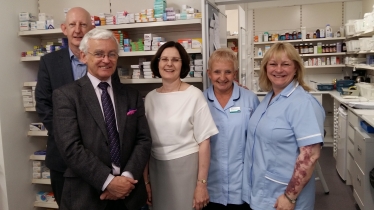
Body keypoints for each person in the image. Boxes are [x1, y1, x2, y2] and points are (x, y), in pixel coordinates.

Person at [52, 28, 151, 210]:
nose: (106, 60)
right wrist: (109, 182)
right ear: (83, 56)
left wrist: (126, 178)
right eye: (99, 54)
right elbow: (71, 148)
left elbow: (143, 140)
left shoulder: (131, 96)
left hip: (130, 196)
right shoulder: (66, 96)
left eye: (111, 54)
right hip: (87, 196)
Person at [242, 42, 325, 210]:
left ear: (296, 68)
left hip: (285, 197)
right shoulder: (269, 98)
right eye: (273, 64)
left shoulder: (303, 103)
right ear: (265, 68)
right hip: (262, 192)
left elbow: (310, 156)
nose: (278, 70)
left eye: (285, 64)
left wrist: (290, 196)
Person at [35, 7, 99, 205]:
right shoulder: (49, 62)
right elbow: (43, 104)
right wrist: (67, 137)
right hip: (62, 157)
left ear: (92, 28)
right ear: (64, 29)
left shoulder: (102, 60)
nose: (78, 30)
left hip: (98, 157)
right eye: (72, 24)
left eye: (83, 24)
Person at [144, 41, 219, 210]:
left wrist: (201, 184)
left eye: (175, 60)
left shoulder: (194, 96)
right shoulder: (150, 98)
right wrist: (146, 181)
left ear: (183, 64)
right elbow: (144, 142)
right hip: (157, 170)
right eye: (164, 59)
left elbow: (204, 142)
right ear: (157, 63)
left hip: (187, 170)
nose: (169, 64)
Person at [203, 48, 259, 210]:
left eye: (228, 72)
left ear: (235, 74)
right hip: (210, 184)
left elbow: (258, 141)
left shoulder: (250, 100)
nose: (222, 77)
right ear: (209, 73)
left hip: (241, 184)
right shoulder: (200, 101)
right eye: (217, 72)